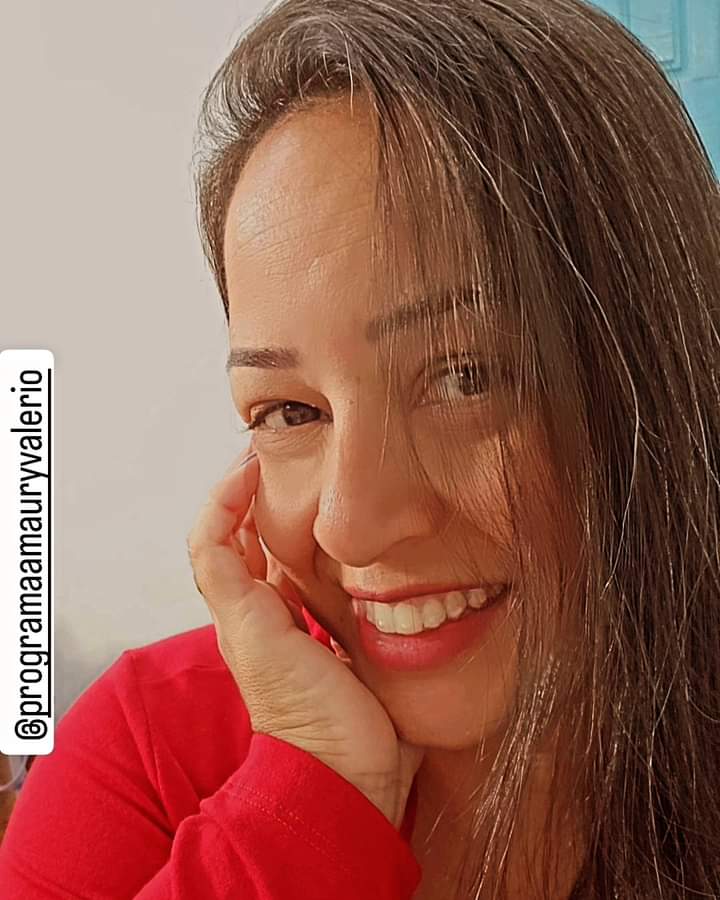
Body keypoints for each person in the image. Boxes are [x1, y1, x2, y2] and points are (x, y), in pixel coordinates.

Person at [2, 0, 719, 896]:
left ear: (658, 368)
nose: (349, 526)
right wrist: (311, 799)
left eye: (464, 377)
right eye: (290, 411)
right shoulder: (147, 753)